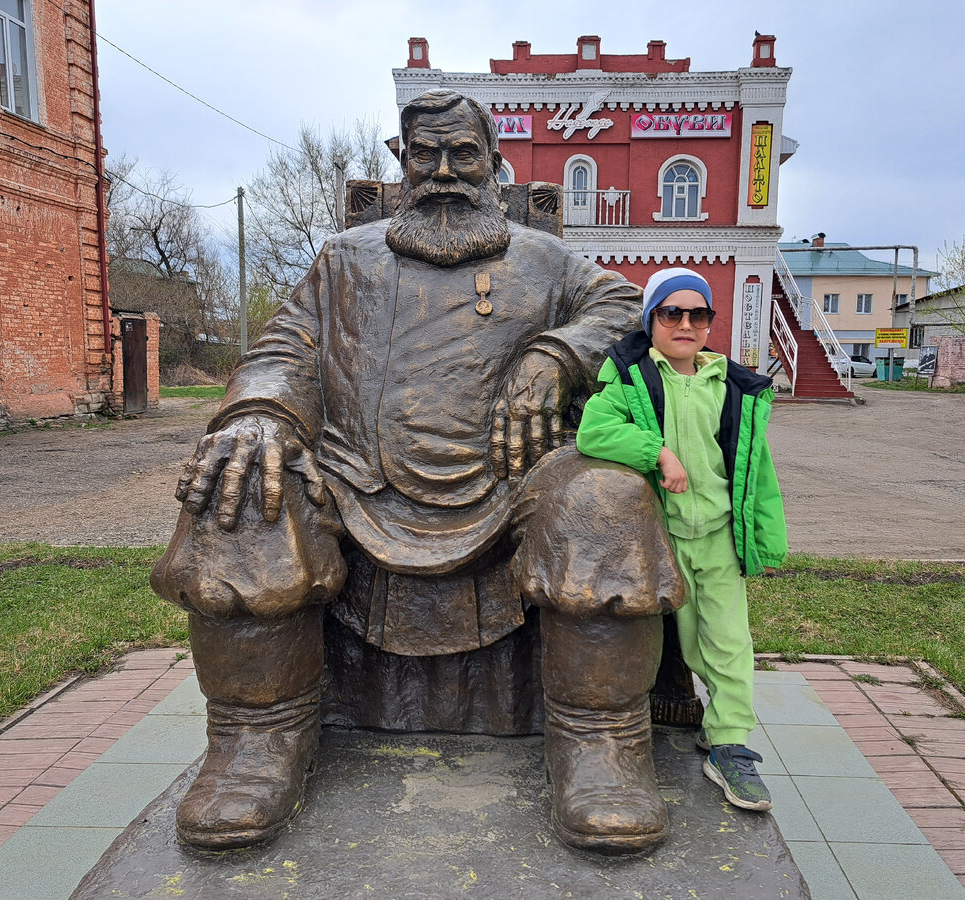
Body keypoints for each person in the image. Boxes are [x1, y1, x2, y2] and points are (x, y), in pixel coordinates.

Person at [150, 90, 686, 854]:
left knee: (604, 495)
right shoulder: (345, 259)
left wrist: (556, 352)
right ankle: (255, 742)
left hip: (514, 486)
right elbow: (283, 353)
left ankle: (601, 745)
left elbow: (628, 310)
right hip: (354, 481)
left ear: (494, 166)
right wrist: (259, 415)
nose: (443, 172)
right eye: (424, 155)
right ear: (401, 164)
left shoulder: (547, 261)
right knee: (244, 482)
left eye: (463, 155)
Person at [576, 267, 788, 811]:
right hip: (658, 536)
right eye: (672, 313)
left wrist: (765, 537)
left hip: (717, 536)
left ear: (711, 323)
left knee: (727, 640)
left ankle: (730, 744)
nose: (686, 324)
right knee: (674, 644)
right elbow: (594, 431)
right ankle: (618, 734)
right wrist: (658, 453)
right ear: (652, 321)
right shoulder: (632, 378)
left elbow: (755, 470)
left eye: (699, 314)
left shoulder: (737, 386)